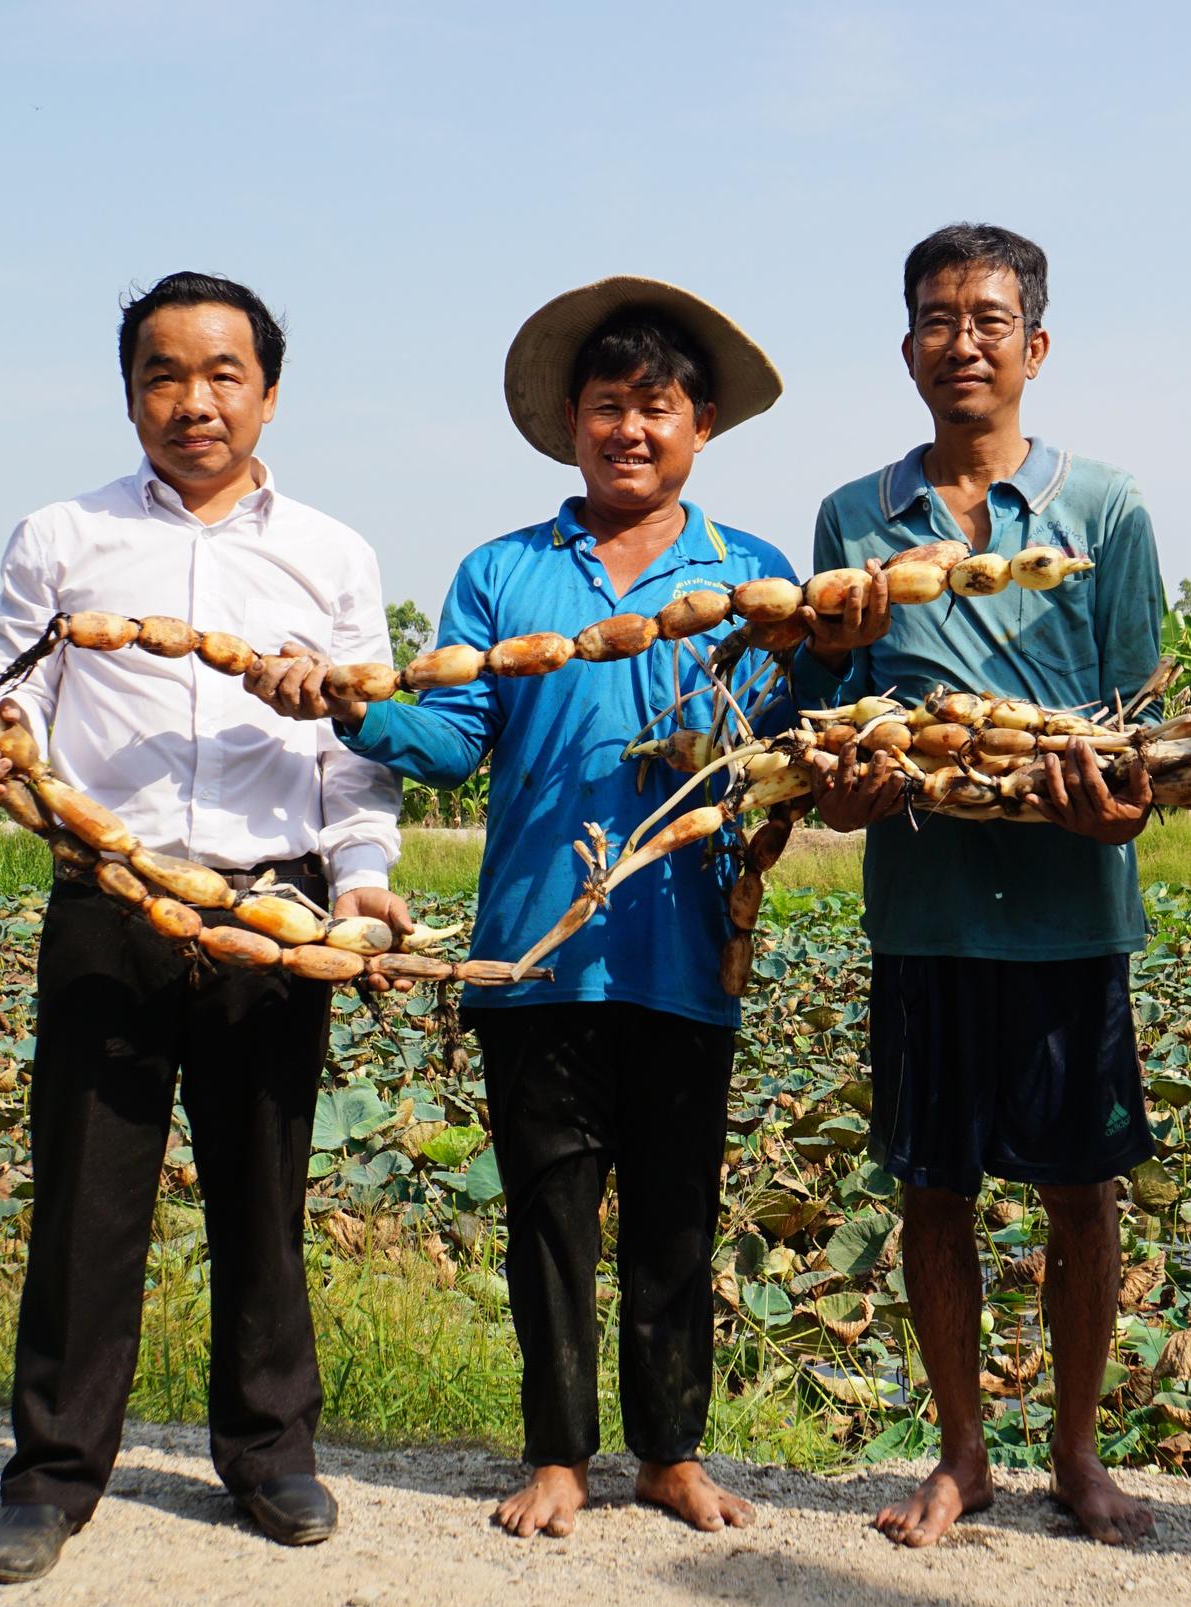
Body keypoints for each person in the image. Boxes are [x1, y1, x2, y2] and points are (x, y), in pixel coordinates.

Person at [248, 278, 789, 1539]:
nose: (630, 432)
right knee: (549, 1211)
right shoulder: (501, 575)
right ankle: (558, 1454)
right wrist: (346, 700)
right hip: (535, 953)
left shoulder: (753, 579)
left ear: (699, 425)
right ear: (568, 423)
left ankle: (670, 1452)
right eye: (607, 408)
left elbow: (788, 742)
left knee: (675, 1214)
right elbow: (448, 737)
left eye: (656, 409)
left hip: (687, 944)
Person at [0, 271, 412, 1583]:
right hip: (111, 896)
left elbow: (352, 752)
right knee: (89, 1200)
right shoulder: (60, 539)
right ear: (130, 391)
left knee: (264, 1195)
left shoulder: (332, 553)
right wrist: (9, 759)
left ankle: (270, 1454)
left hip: (271, 904)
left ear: (268, 389)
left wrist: (361, 878)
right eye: (164, 373)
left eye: (221, 373)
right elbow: (13, 705)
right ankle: (50, 1474)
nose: (192, 400)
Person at [797, 224, 1165, 1548]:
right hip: (927, 910)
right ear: (908, 350)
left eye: (990, 320)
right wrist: (842, 784)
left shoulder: (1107, 509)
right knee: (931, 1185)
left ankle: (1074, 1451)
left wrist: (1120, 800)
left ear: (1036, 346)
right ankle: (963, 1450)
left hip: (1071, 912)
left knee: (1083, 1190)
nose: (964, 341)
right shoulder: (855, 516)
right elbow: (831, 709)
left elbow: (1144, 724)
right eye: (939, 320)